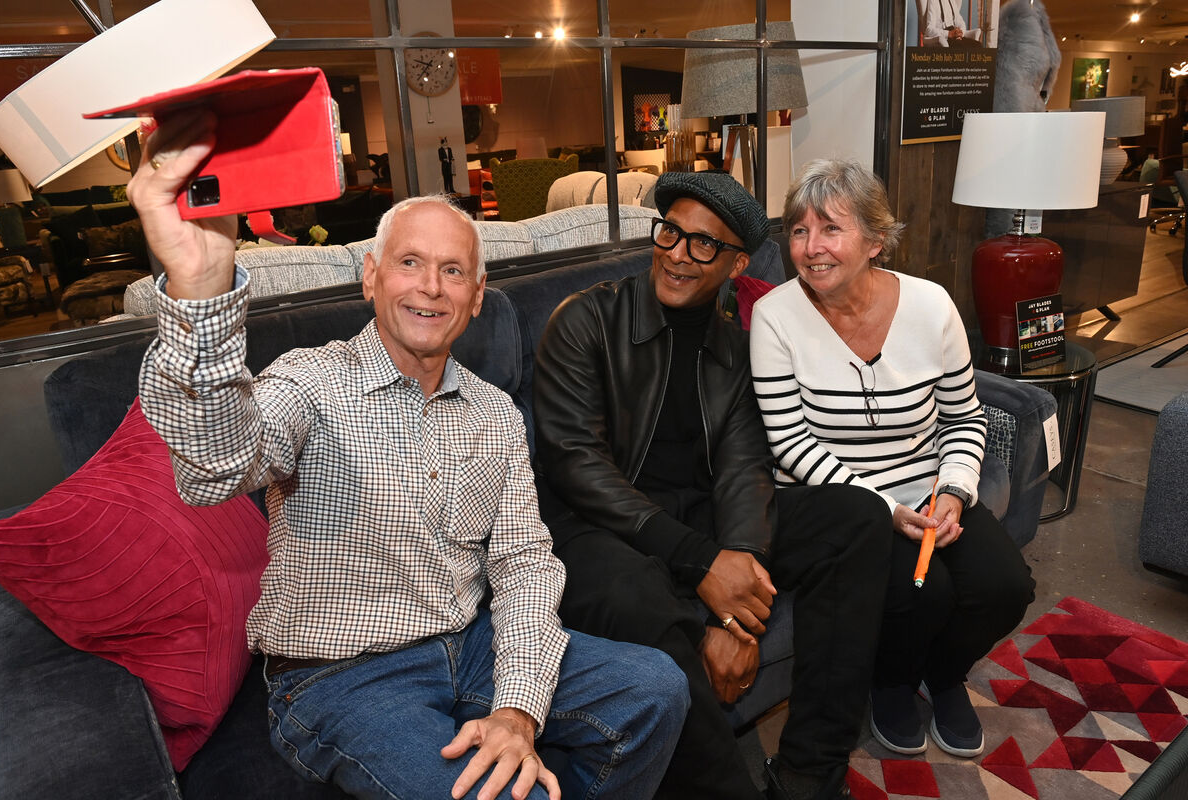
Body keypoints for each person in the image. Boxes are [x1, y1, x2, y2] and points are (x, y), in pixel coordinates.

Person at [129, 110, 688, 800]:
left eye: (454, 271)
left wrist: (516, 709)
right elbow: (217, 465)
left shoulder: (495, 413)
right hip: (337, 677)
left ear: (477, 296)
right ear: (371, 278)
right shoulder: (309, 381)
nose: (430, 286)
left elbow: (523, 564)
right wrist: (199, 292)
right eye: (411, 263)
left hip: (471, 647)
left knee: (657, 689)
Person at [533, 170, 891, 800]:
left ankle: (809, 774)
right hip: (594, 531)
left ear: (737, 264)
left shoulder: (735, 349)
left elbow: (743, 470)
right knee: (637, 590)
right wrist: (703, 564)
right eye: (670, 232)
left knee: (856, 518)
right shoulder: (585, 320)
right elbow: (575, 464)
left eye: (704, 245)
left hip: (693, 519)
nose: (677, 254)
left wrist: (739, 609)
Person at [748, 158, 1035, 760]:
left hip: (929, 490)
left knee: (1006, 587)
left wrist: (954, 491)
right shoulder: (776, 316)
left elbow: (964, 417)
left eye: (830, 228)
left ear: (876, 240)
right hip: (836, 503)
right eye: (799, 231)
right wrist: (884, 510)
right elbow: (790, 445)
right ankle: (892, 682)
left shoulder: (931, 306)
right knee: (919, 593)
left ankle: (944, 672)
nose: (811, 247)